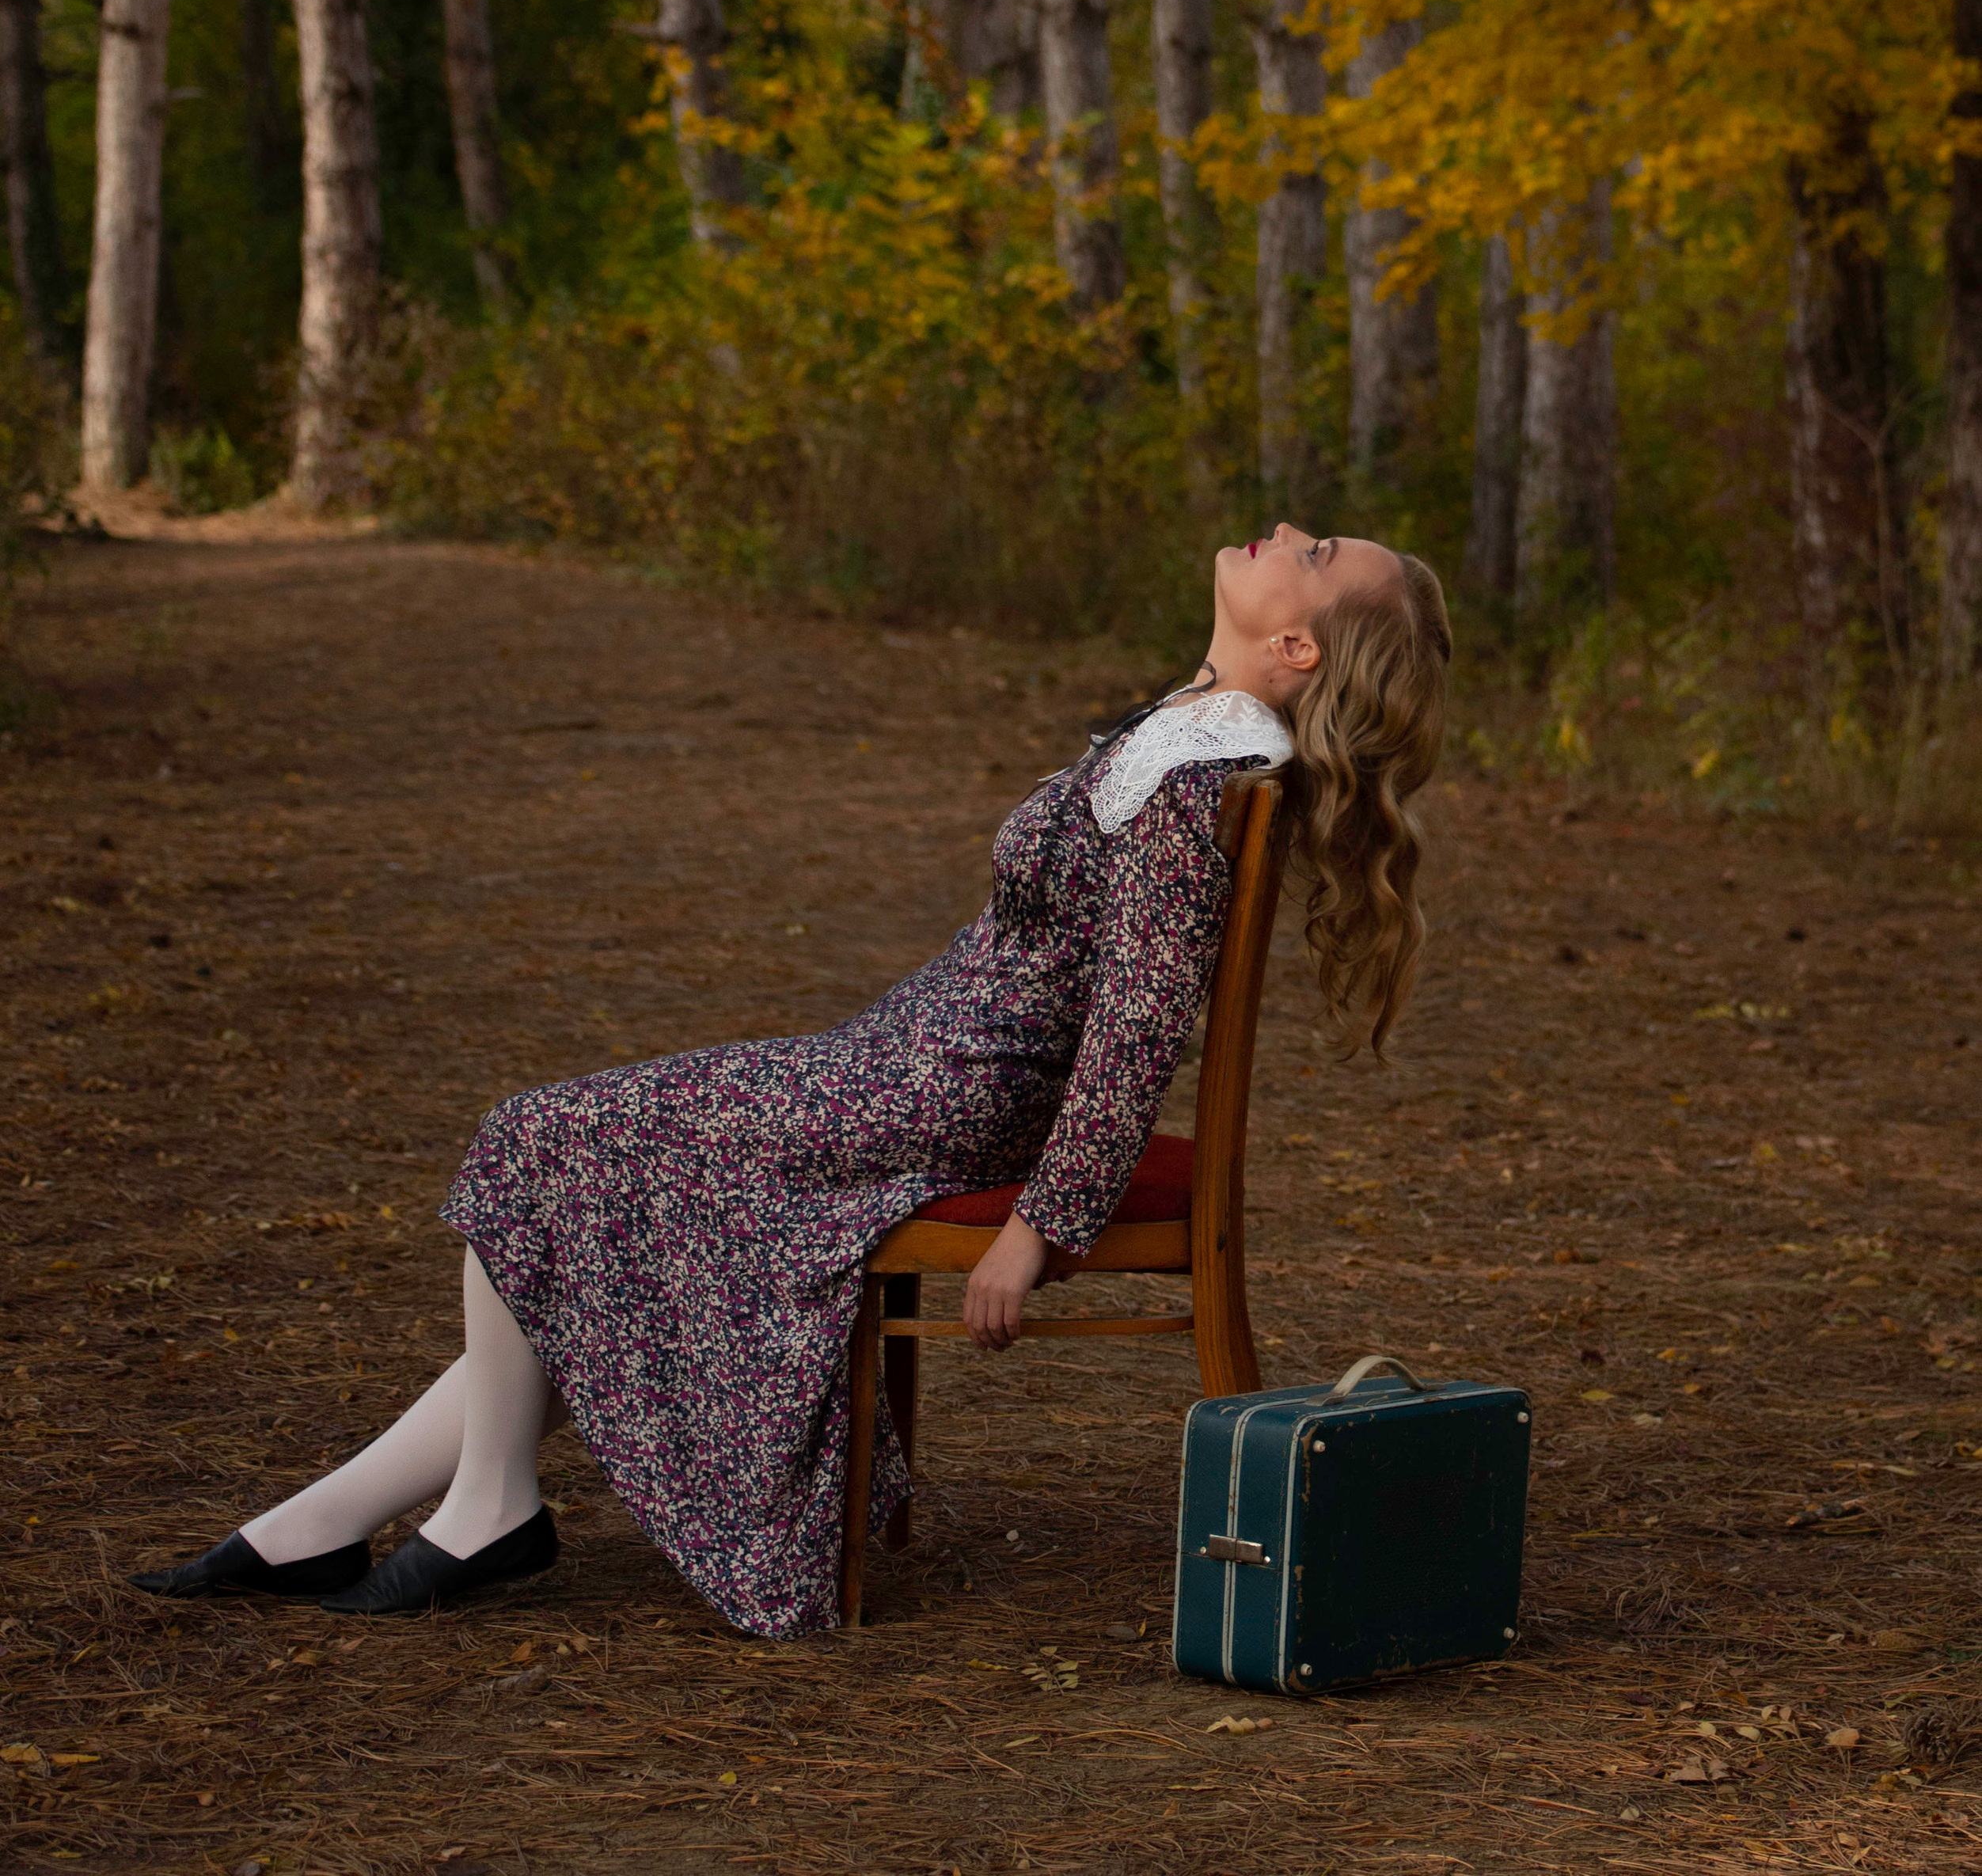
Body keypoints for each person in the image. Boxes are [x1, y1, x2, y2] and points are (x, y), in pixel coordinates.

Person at [131, 524, 1450, 1639]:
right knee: (565, 1170)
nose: (1287, 531)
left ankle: (484, 1510)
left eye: (1315, 552)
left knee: (537, 1139)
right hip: (914, 1062)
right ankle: (330, 1520)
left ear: (1298, 647)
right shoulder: (1190, 734)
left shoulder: (1197, 776)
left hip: (944, 1093)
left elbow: (1138, 1027)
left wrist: (1040, 1228)